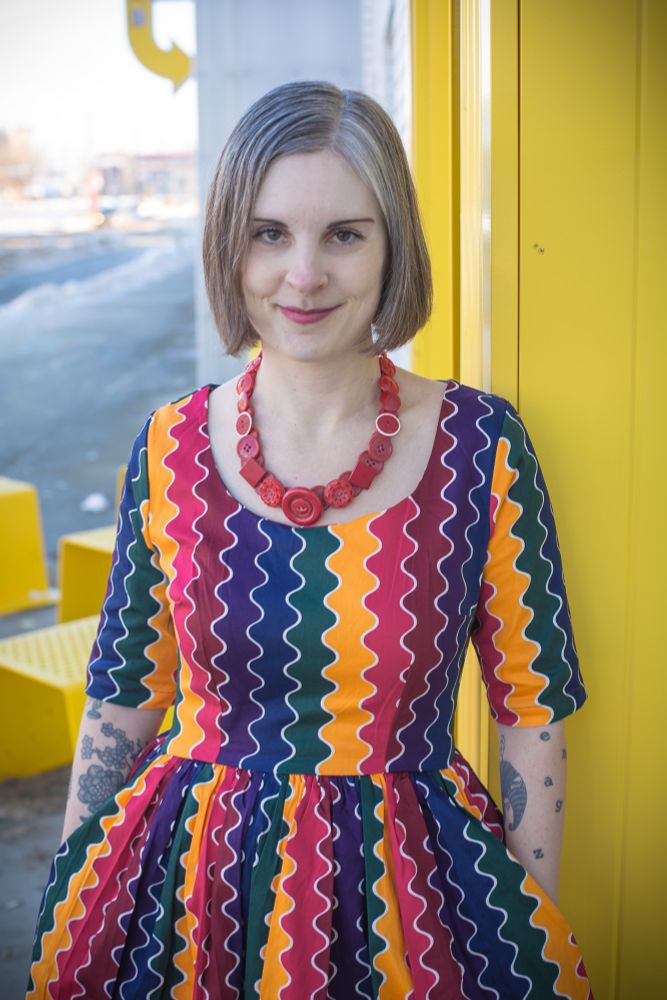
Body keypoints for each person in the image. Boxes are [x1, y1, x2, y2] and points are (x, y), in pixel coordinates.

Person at [27, 80, 593, 999]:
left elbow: (532, 715)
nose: (302, 275)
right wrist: (69, 904)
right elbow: (123, 698)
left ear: (391, 244)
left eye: (344, 233)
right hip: (186, 891)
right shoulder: (169, 443)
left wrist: (524, 923)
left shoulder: (481, 445)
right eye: (269, 232)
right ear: (229, 245)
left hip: (419, 896)